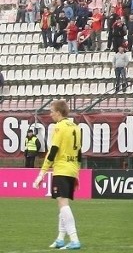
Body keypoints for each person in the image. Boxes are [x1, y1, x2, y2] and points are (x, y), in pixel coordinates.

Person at [34, 99, 83, 250]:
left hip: (61, 169)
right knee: (62, 204)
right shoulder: (75, 127)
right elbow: (79, 152)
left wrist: (41, 173)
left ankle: (74, 239)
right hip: (72, 168)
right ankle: (61, 238)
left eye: (52, 111)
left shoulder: (59, 127)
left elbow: (53, 151)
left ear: (59, 112)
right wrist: (77, 172)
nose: (50, 114)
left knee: (63, 204)